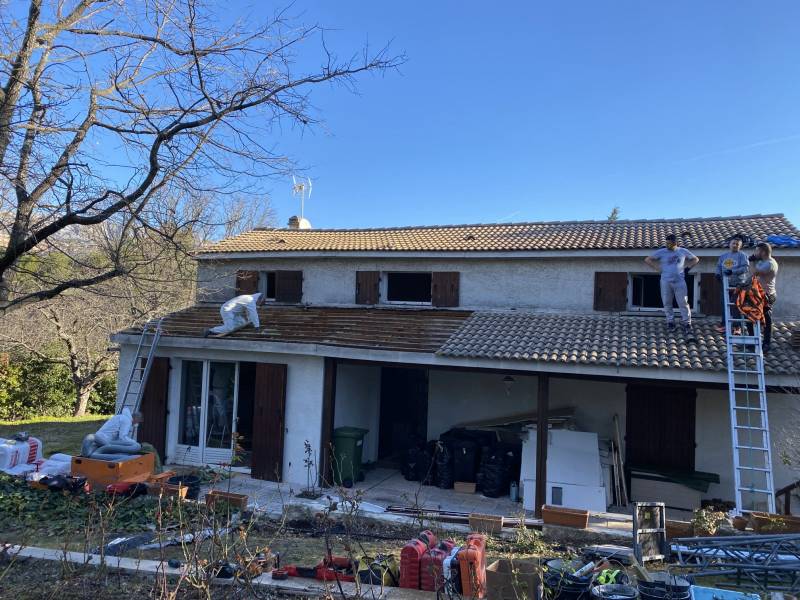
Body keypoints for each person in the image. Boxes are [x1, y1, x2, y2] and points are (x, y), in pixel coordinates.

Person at [644, 233, 700, 335]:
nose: (668, 245)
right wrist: (657, 268)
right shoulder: (662, 251)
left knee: (683, 302)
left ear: (675, 243)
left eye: (670, 243)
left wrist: (688, 268)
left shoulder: (682, 251)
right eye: (667, 243)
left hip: (680, 281)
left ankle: (687, 323)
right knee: (667, 302)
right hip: (665, 281)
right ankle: (670, 322)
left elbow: (696, 259)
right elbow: (647, 259)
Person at [715, 235, 750, 335]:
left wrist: (733, 271)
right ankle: (724, 325)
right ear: (729, 244)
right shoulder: (723, 256)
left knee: (736, 305)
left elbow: (745, 268)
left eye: (737, 244)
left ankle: (737, 327)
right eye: (733, 243)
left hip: (737, 284)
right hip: (725, 284)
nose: (735, 245)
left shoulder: (742, 255)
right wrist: (717, 274)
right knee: (724, 305)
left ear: (740, 246)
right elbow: (718, 266)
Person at [750, 242, 778, 354]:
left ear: (762, 252)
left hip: (766, 295)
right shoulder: (763, 262)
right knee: (750, 317)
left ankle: (766, 344)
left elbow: (754, 272)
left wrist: (751, 261)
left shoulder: (770, 264)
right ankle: (752, 342)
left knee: (766, 320)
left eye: (757, 251)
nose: (755, 253)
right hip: (759, 294)